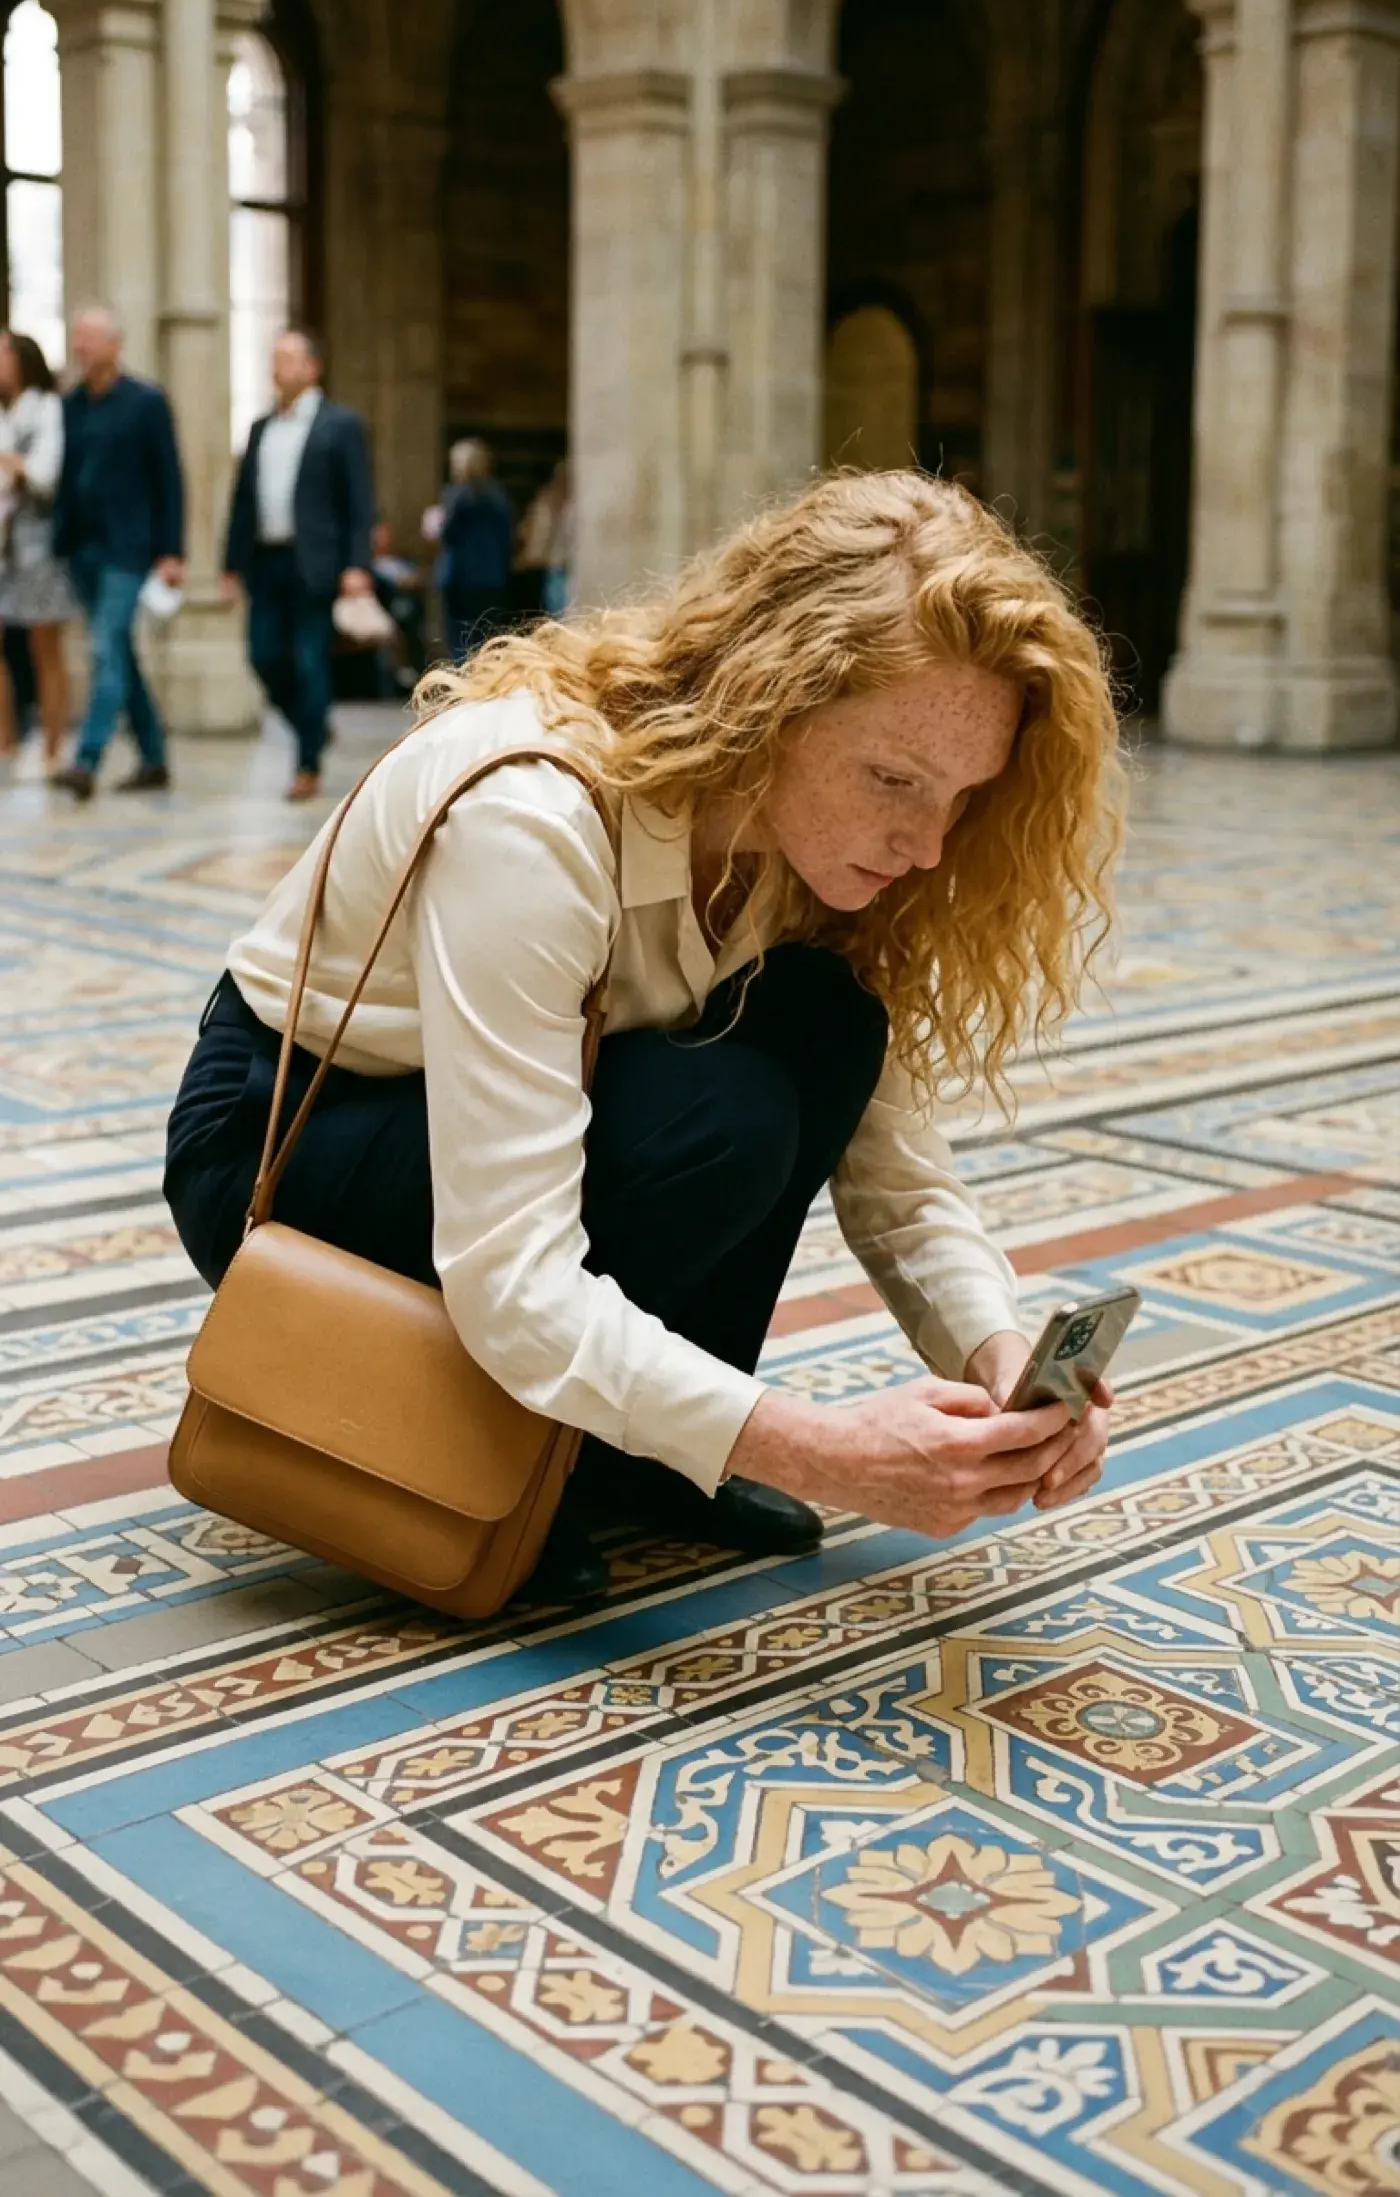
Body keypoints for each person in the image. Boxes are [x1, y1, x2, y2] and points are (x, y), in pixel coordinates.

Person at [165, 471, 1123, 1607]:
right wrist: (815, 1447)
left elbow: (897, 1179)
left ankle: (641, 1452)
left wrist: (996, 1357)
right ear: (770, 699)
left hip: (496, 1129)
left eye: (959, 797)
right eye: (890, 780)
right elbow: (509, 1273)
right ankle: (514, 1469)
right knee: (717, 1118)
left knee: (819, 1028)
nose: (923, 843)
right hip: (290, 1136)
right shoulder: (532, 817)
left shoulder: (814, 849)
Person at [220, 329, 375, 803]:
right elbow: (243, 501)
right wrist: (231, 566)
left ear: (312, 368)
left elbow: (359, 500)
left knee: (310, 661)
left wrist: (357, 564)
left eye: (286, 359)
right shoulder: (260, 427)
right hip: (267, 561)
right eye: (273, 358)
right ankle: (312, 725)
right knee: (262, 654)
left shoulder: (340, 425)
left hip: (316, 563)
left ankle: (307, 764)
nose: (276, 368)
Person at [50, 306, 185, 801]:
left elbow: (169, 478)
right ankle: (154, 757)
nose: (81, 348)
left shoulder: (146, 402)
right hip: (82, 548)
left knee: (106, 648)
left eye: (89, 339)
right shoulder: (71, 406)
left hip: (130, 549)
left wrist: (172, 550)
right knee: (120, 652)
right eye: (77, 339)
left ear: (114, 344)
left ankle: (86, 761)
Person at [0, 332, 71, 770]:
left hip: (37, 543)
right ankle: (4, 741)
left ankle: (52, 748)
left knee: (45, 645)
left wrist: (11, 462)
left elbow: (44, 475)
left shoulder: (46, 409)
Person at [434, 438, 513, 660]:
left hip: (459, 575)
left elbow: (447, 531)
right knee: (486, 635)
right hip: (491, 577)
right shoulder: (498, 496)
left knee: (460, 636)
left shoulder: (457, 495)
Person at [511, 458, 573, 622]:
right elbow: (536, 535)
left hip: (561, 568)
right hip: (553, 568)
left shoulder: (573, 503)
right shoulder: (546, 501)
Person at [370, 520, 427, 694]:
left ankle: (412, 668)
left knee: (409, 614)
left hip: (409, 608)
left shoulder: (402, 561)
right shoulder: (369, 566)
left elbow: (417, 579)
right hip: (384, 607)